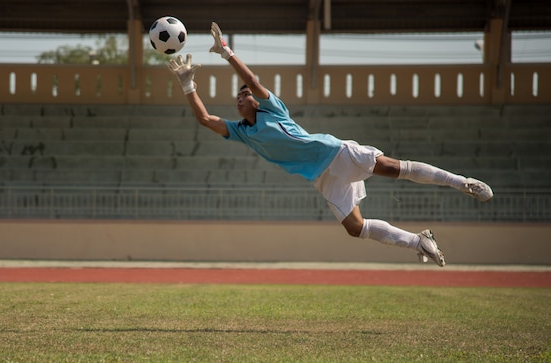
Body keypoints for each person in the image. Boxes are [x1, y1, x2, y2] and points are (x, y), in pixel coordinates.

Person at [168, 22, 493, 267]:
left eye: (244, 95)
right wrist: (187, 84)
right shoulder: (242, 131)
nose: (241, 98)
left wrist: (226, 51)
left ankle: (461, 182)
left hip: (335, 152)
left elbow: (253, 81)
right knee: (355, 227)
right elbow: (205, 120)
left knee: (393, 168)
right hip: (323, 177)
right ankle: (418, 241)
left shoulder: (272, 108)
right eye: (237, 97)